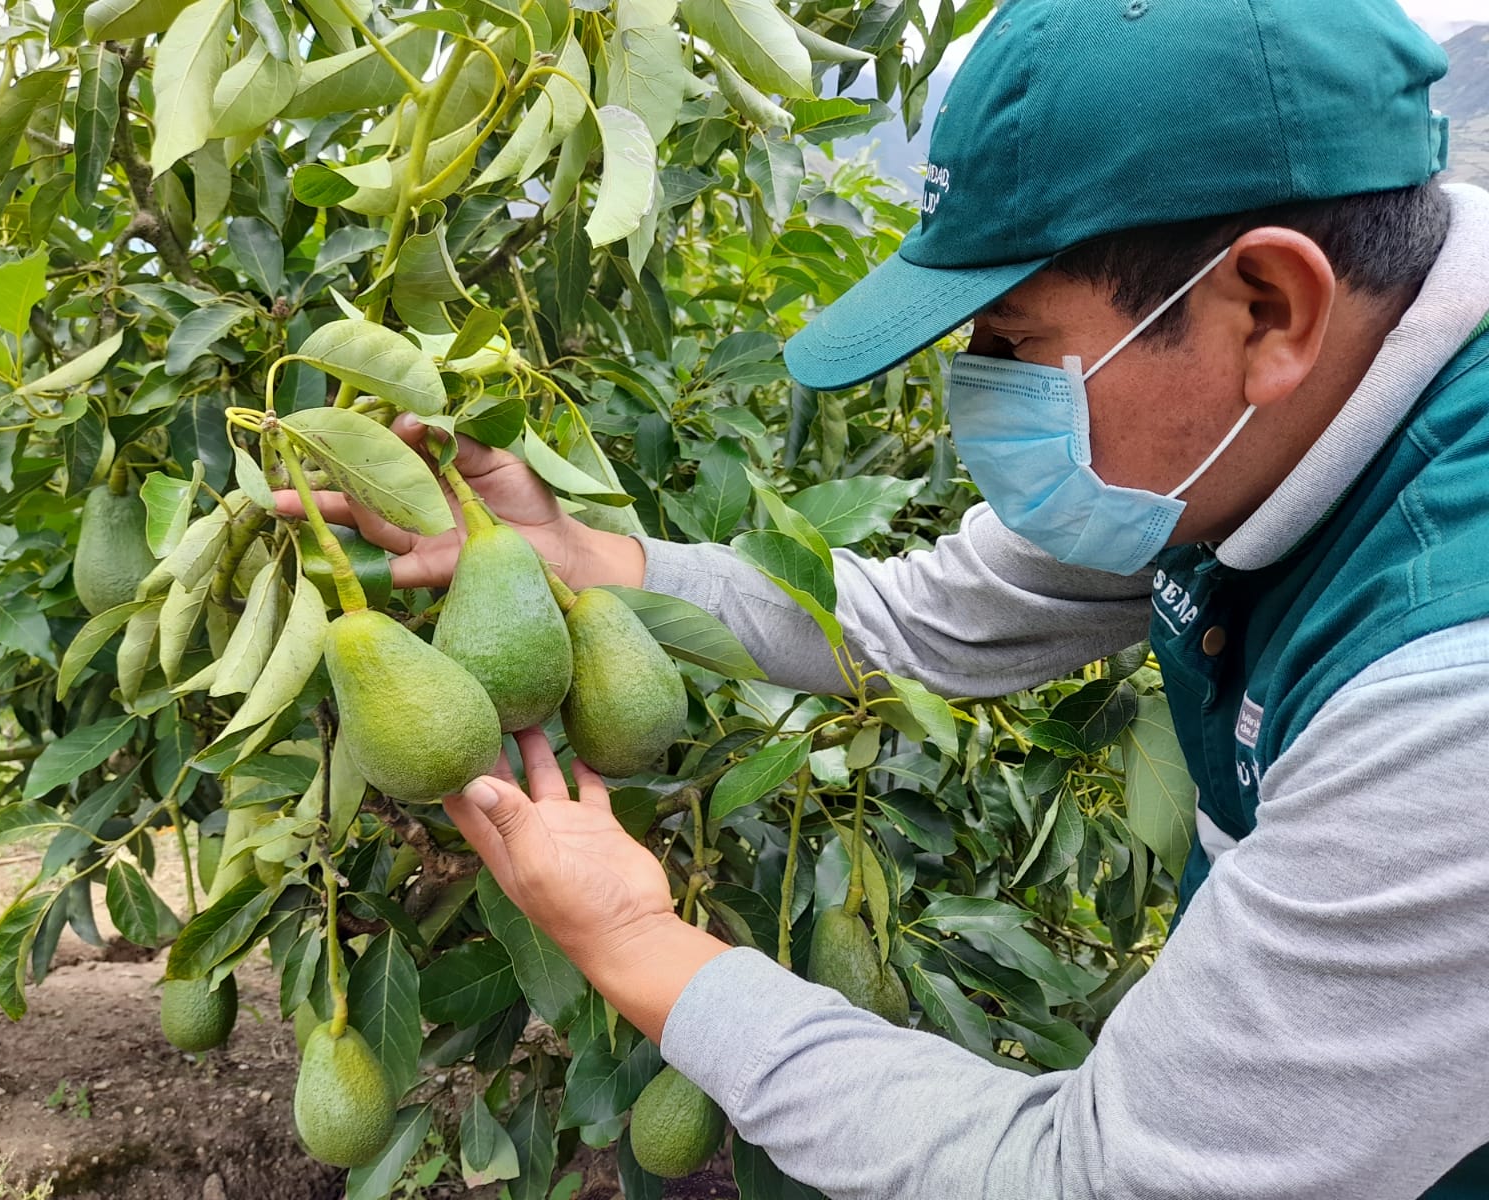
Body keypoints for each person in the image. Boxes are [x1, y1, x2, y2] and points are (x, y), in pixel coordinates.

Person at [281, 0, 1489, 1194]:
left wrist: (638, 943)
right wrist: (595, 561)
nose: (982, 402)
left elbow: (1101, 1179)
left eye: (1011, 344)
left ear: (1268, 309)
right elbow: (928, 617)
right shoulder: (1256, 435)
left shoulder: (1449, 699)